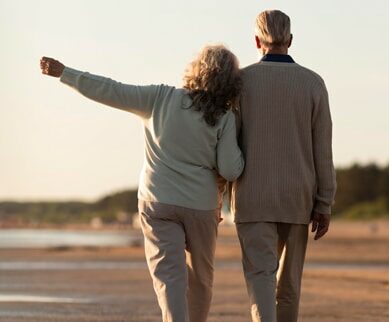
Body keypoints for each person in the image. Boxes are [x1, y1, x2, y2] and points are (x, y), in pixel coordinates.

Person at [40, 45, 244, 322]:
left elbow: (111, 90)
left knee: (170, 278)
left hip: (157, 200)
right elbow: (231, 170)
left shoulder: (160, 97)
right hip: (201, 206)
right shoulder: (224, 115)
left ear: (197, 69)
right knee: (201, 278)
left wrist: (66, 73)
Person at [231, 10, 337, 322]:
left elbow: (227, 144)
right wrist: (325, 202)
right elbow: (323, 150)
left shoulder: (240, 82)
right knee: (289, 285)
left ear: (256, 40)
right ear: (290, 40)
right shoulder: (313, 83)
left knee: (261, 279)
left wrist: (217, 191)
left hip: (252, 198)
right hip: (298, 199)